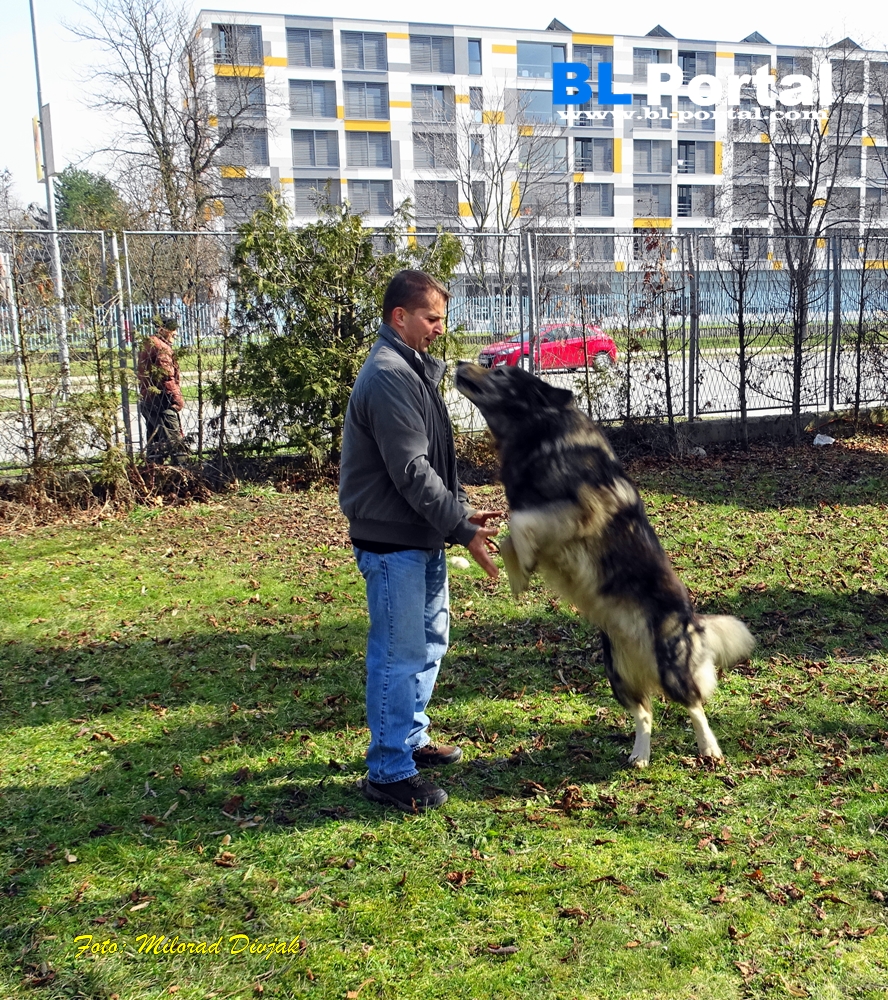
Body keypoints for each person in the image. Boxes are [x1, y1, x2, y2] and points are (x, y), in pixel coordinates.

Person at [339, 270, 502, 813]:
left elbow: (434, 459)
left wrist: (459, 510)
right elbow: (411, 470)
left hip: (419, 533)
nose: (439, 328)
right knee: (399, 653)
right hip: (393, 543)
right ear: (399, 317)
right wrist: (462, 527)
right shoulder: (389, 374)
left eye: (441, 319)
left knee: (429, 644)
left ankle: (408, 738)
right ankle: (388, 770)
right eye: (431, 318)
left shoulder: (410, 368)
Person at [137, 314, 186, 465]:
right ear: (162, 329)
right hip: (162, 402)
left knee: (155, 446)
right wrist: (177, 399)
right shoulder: (161, 348)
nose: (175, 333)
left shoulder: (150, 344)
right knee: (176, 444)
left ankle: (153, 472)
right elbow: (166, 377)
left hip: (148, 400)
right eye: (173, 330)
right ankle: (183, 472)